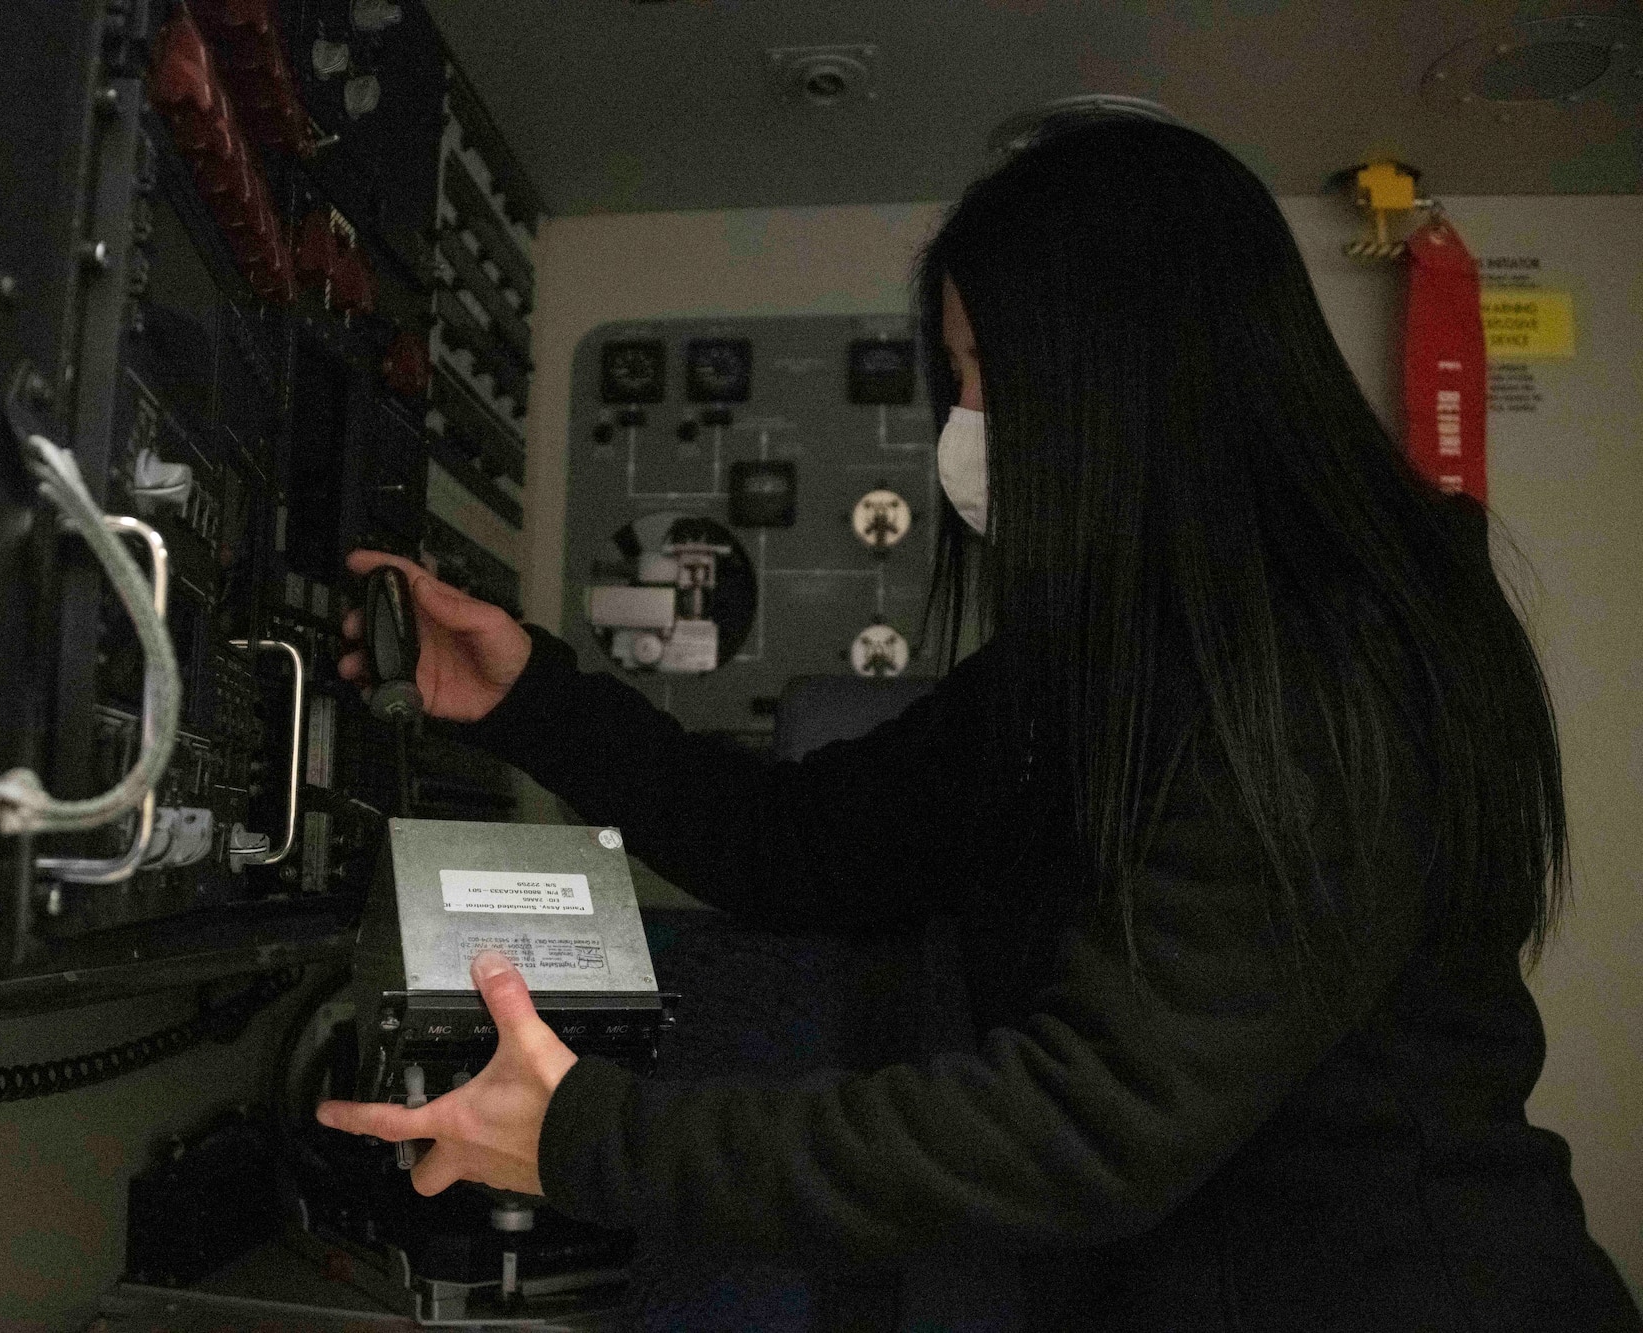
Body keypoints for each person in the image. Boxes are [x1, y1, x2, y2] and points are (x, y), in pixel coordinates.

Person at [316, 120, 1642, 1331]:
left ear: (1121, 375)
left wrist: (590, 1136)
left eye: (982, 376)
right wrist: (530, 695)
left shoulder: (1326, 659)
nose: (962, 434)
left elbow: (1089, 1125)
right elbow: (800, 842)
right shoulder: (1084, 673)